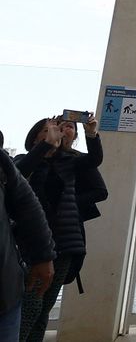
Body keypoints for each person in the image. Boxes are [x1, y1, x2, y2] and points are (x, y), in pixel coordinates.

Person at [15, 113, 106, 342]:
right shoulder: (25, 161)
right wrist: (45, 148)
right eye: (47, 130)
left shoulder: (69, 161)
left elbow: (94, 161)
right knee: (30, 305)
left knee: (44, 307)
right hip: (32, 246)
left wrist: (91, 133)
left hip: (65, 245)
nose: (54, 133)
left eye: (57, 130)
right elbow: (22, 172)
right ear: (35, 139)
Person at [0, 133, 53, 342]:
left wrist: (44, 255)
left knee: (39, 312)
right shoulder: (23, 159)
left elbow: (26, 202)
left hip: (5, 293)